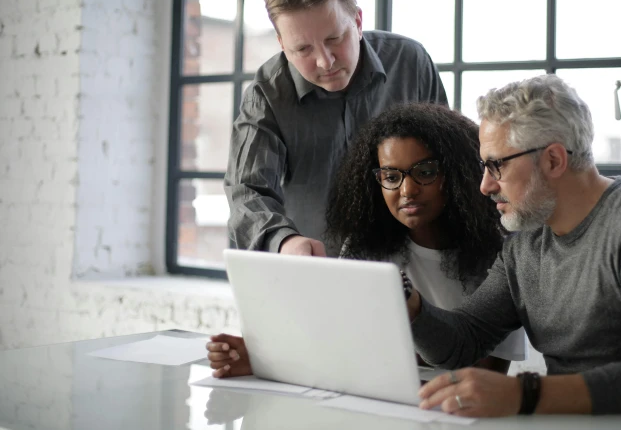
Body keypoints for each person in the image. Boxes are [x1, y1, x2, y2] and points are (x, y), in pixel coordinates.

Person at [409, 74, 621, 417]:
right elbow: (463, 341)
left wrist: (521, 393)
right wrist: (410, 307)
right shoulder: (524, 241)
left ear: (554, 160)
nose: (485, 185)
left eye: (496, 165)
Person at [206, 103, 526, 377]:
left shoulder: (499, 256)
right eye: (391, 176)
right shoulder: (364, 249)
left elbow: (486, 375)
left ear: (456, 174)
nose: (406, 190)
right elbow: (337, 343)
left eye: (425, 172)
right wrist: (264, 360)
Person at [225, 0, 448, 257]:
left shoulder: (411, 62)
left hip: (418, 263)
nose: (324, 61)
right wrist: (284, 241)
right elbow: (247, 190)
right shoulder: (266, 93)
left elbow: (448, 161)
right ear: (281, 43)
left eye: (334, 38)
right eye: (303, 48)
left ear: (357, 21)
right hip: (315, 268)